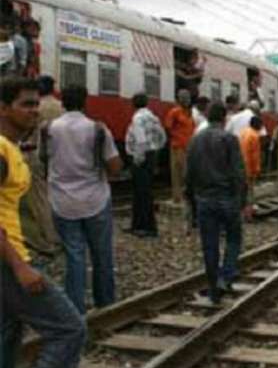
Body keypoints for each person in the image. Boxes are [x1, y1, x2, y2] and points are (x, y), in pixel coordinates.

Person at [0, 76, 86, 368]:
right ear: (3, 108)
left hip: (11, 254)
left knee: (7, 329)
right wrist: (20, 266)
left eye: (37, 104)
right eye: (26, 104)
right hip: (8, 261)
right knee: (69, 330)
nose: (34, 111)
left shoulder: (12, 149)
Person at [47, 85, 122, 314]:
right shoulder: (98, 130)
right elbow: (115, 167)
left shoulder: (49, 129)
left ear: (63, 102)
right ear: (85, 102)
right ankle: (106, 304)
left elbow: (44, 161)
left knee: (74, 256)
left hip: (62, 202)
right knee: (102, 255)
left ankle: (75, 309)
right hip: (95, 200)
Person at [185, 101, 251, 305]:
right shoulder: (229, 139)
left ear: (208, 117)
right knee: (233, 238)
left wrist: (191, 202)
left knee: (209, 245)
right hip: (227, 197)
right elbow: (239, 172)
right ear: (224, 119)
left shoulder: (195, 140)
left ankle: (213, 287)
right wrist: (243, 201)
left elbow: (189, 174)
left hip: (204, 199)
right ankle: (226, 276)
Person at [19, 74, 62, 259]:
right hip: (57, 155)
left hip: (36, 153)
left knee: (38, 197)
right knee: (52, 194)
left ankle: (48, 239)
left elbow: (29, 129)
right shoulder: (60, 106)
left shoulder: (39, 107)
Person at [125, 93, 167, 237]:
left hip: (140, 158)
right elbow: (162, 136)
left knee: (141, 192)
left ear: (134, 104)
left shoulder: (137, 118)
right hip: (150, 156)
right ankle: (139, 225)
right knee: (145, 191)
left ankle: (146, 227)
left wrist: (138, 159)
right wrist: (156, 148)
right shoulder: (153, 117)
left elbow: (141, 141)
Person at [164, 89, 194, 204]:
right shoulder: (174, 112)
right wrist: (175, 138)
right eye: (184, 98)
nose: (187, 100)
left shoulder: (189, 113)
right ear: (179, 99)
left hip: (188, 146)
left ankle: (184, 196)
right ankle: (177, 197)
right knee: (178, 172)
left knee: (186, 173)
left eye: (188, 98)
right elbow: (168, 127)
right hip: (177, 146)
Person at [240, 116, 262, 206]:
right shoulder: (254, 136)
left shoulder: (243, 132)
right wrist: (257, 170)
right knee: (250, 189)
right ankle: (249, 210)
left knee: (242, 189)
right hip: (249, 167)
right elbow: (255, 156)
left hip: (240, 165)